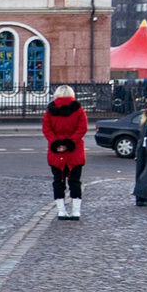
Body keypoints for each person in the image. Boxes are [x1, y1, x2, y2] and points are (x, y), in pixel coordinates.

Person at [42, 84, 89, 221]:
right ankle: (76, 211)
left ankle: (61, 211)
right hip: (75, 151)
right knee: (75, 181)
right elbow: (82, 128)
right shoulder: (79, 110)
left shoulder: (50, 111)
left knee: (58, 181)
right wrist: (70, 143)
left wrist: (57, 143)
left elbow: (47, 129)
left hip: (56, 151)